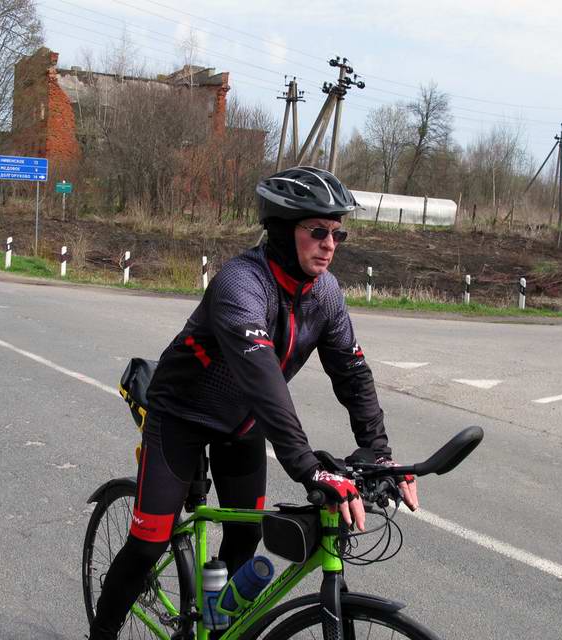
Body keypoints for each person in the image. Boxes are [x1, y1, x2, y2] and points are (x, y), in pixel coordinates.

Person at [88, 166, 419, 639]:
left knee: (245, 536)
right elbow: (264, 381)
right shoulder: (240, 284)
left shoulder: (324, 294)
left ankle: (213, 625)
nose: (330, 244)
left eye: (337, 233)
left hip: (242, 426)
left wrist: (380, 451)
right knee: (148, 543)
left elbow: (352, 374)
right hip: (180, 417)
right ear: (285, 232)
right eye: (318, 231)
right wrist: (309, 467)